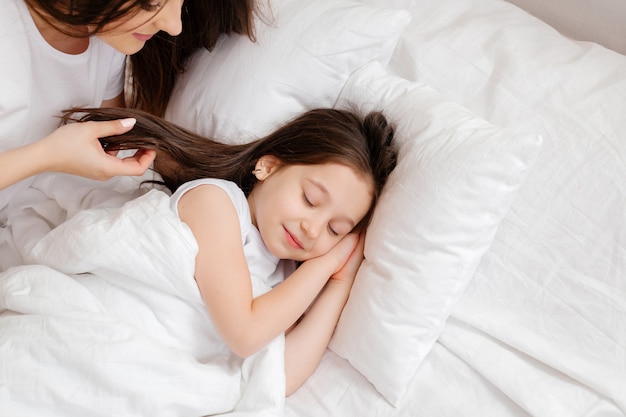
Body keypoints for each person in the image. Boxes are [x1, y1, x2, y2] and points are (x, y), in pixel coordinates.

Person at [63, 106, 398, 395]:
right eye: (310, 200)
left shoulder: (286, 280)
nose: (313, 229)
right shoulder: (216, 202)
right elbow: (244, 334)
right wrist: (322, 267)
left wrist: (342, 279)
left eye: (334, 230)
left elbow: (280, 376)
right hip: (103, 336)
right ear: (268, 166)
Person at [0, 0, 256, 212]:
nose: (174, 26)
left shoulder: (105, 39)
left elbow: (114, 134)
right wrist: (47, 156)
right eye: (151, 3)